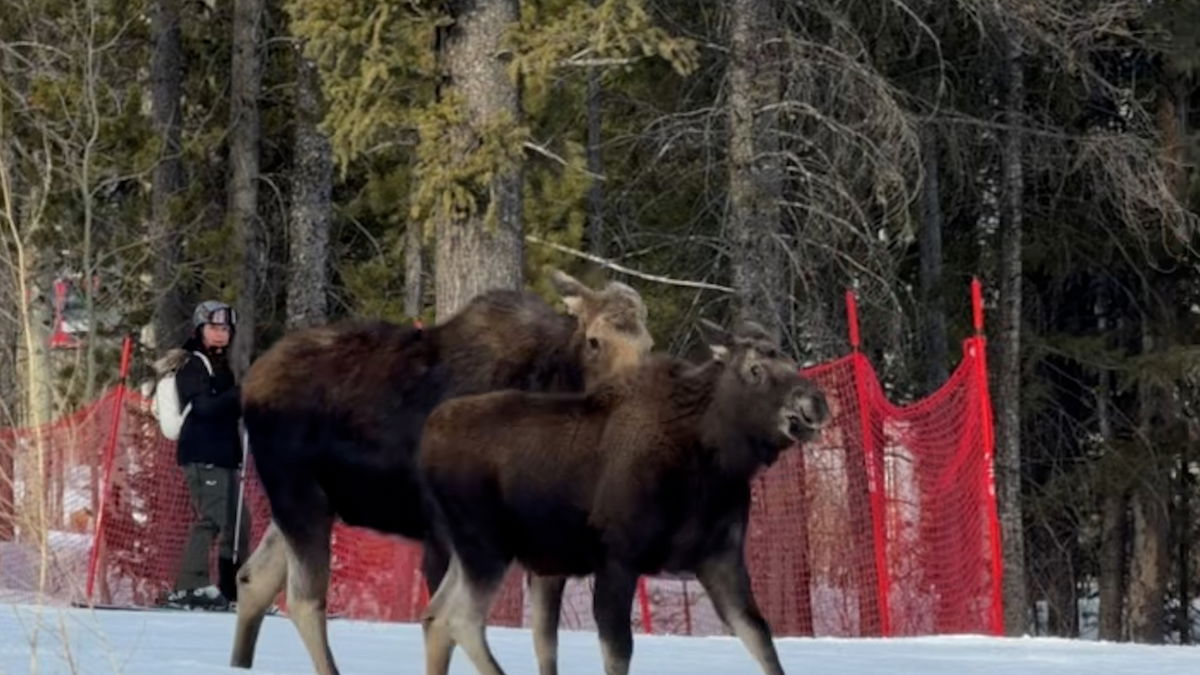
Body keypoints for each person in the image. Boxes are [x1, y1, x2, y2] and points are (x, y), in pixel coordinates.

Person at [163, 300, 251, 610]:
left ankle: (233, 590)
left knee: (239, 523)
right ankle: (189, 585)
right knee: (212, 518)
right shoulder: (193, 364)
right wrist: (239, 394)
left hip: (226, 455)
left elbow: (229, 406)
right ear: (201, 329)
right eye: (215, 327)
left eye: (226, 328)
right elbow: (203, 407)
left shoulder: (222, 365)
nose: (221, 333)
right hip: (203, 452)